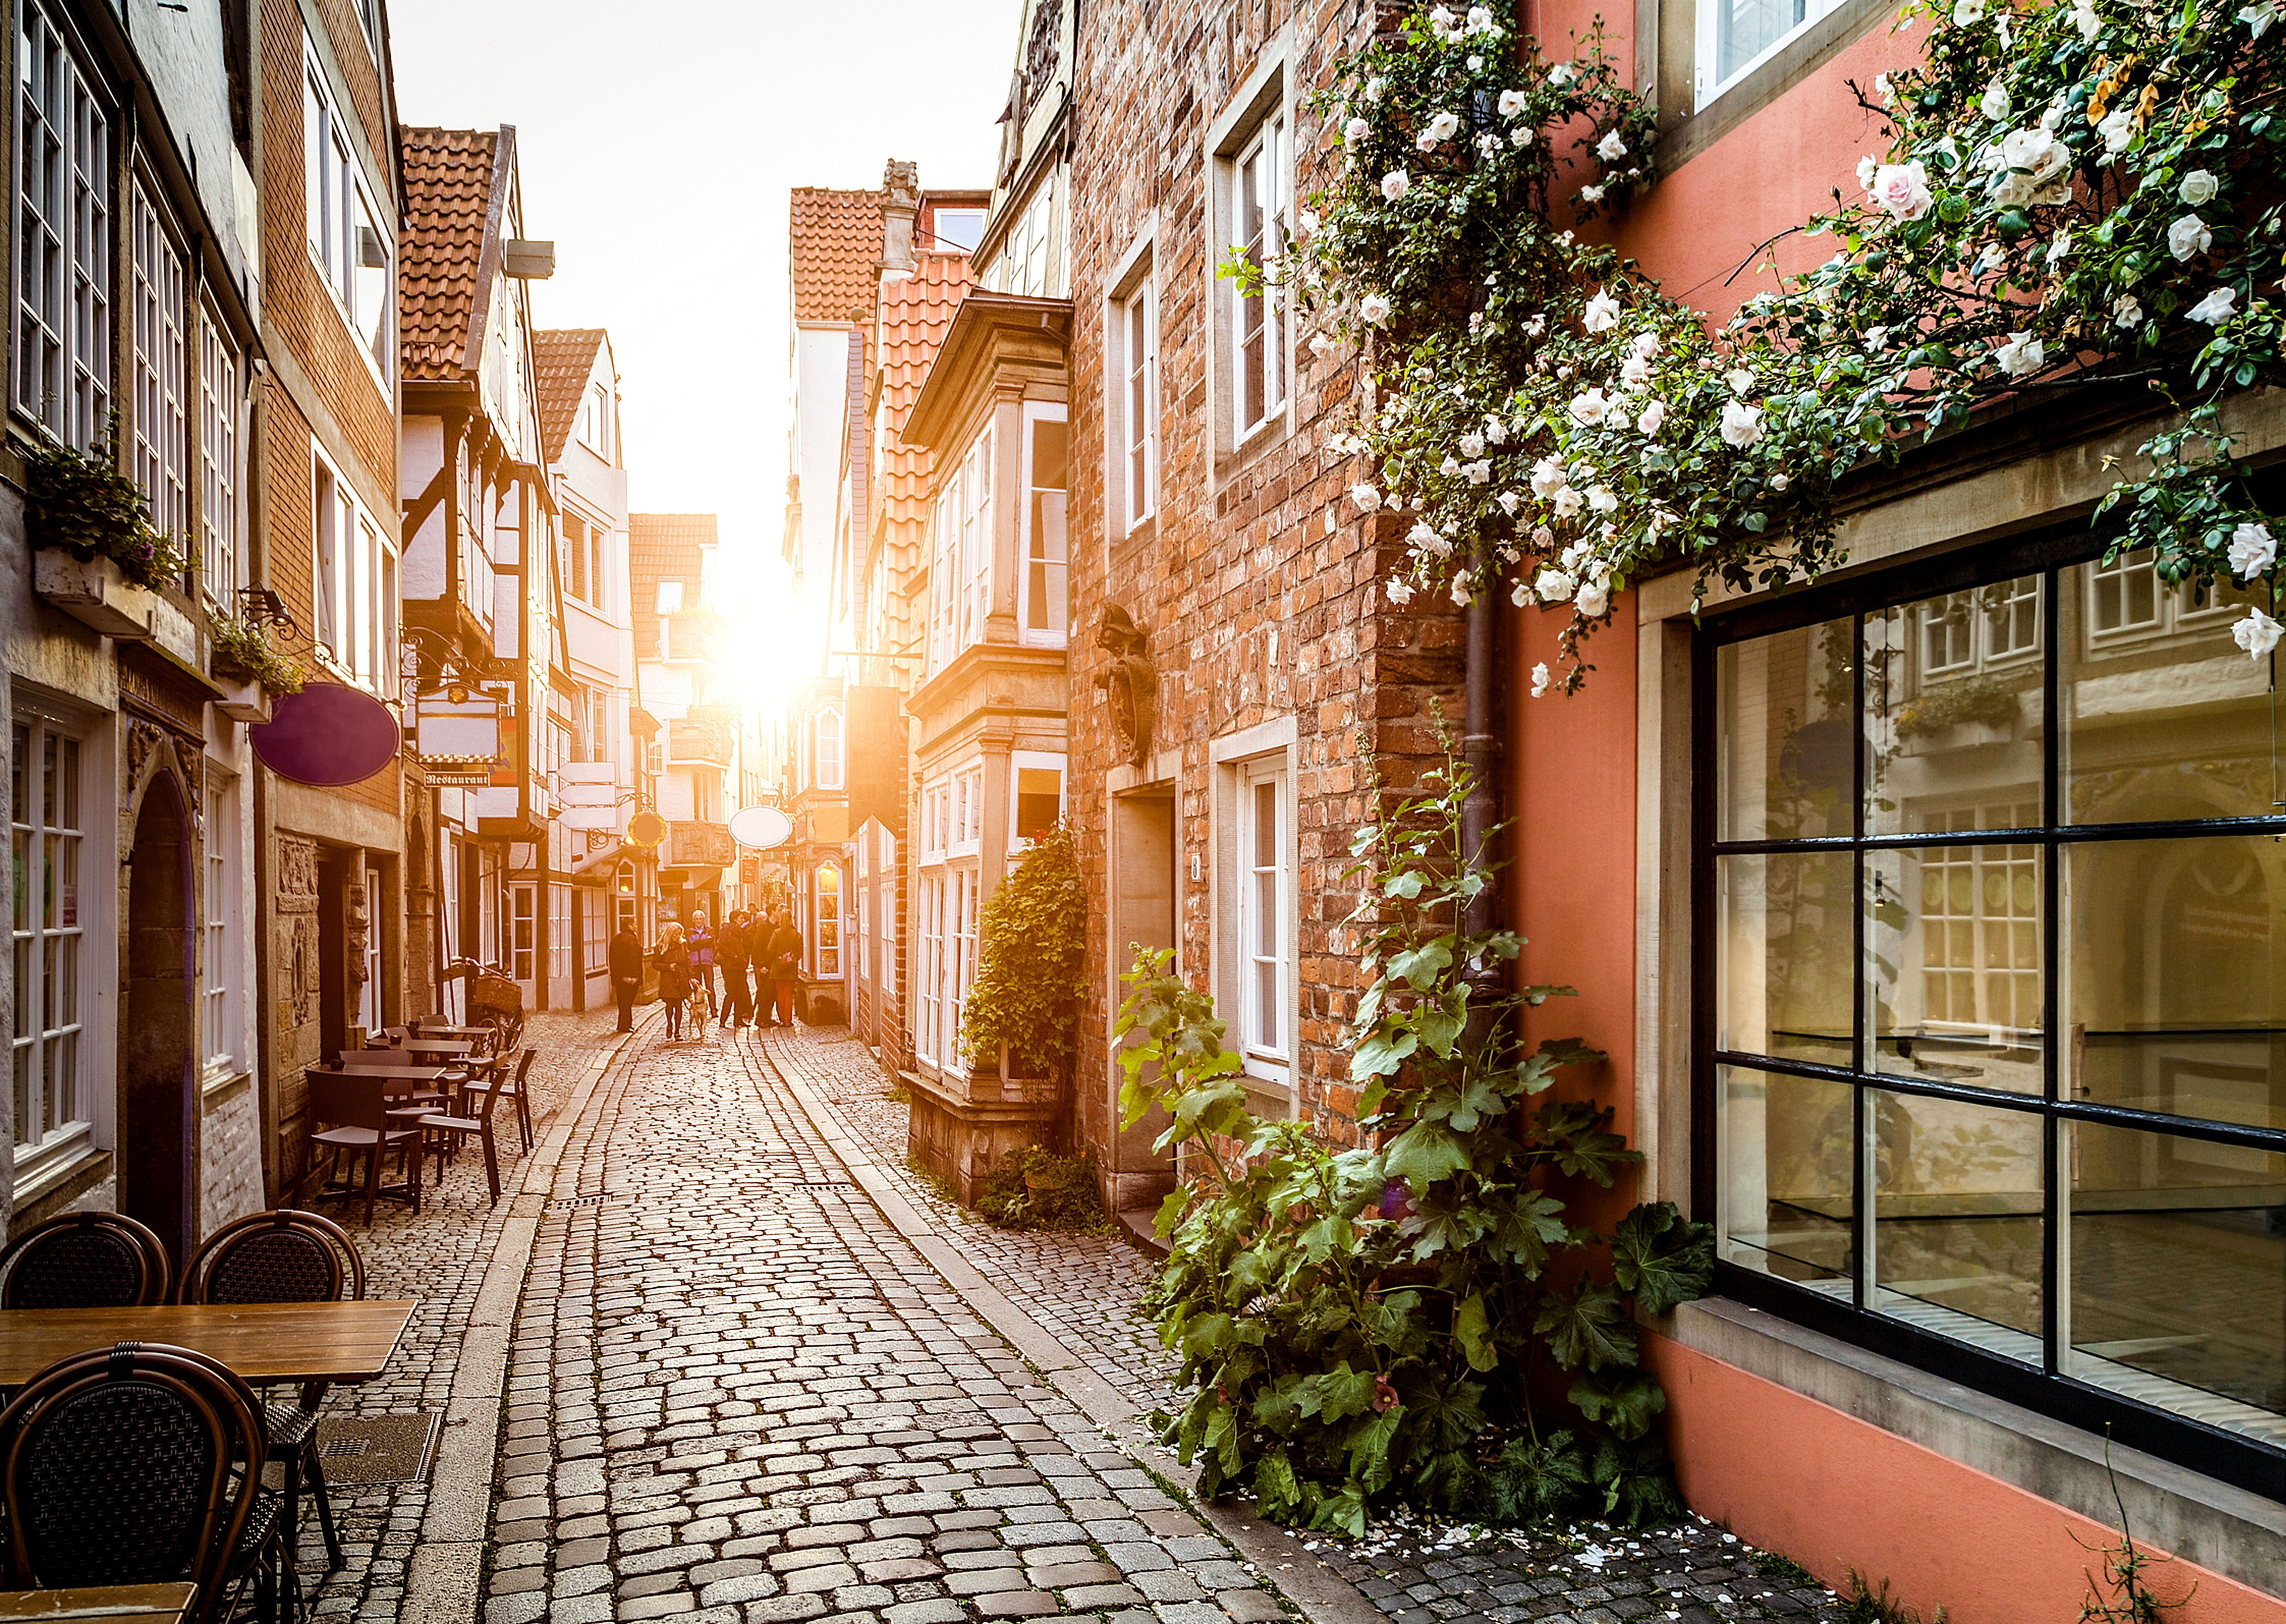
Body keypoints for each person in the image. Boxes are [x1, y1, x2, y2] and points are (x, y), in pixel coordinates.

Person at [652, 921, 694, 1041]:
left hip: (681, 978)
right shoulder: (661, 946)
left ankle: (677, 1031)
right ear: (670, 934)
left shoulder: (682, 944)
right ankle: (670, 1023)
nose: (677, 937)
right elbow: (655, 963)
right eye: (675, 935)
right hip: (668, 979)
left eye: (679, 935)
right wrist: (668, 967)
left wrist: (692, 976)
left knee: (679, 1006)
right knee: (670, 1005)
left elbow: (687, 961)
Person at [763, 910, 803, 1030]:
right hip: (791, 969)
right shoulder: (796, 934)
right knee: (789, 995)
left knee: (781, 995)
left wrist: (778, 958)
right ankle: (788, 1020)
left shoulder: (777, 933)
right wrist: (792, 959)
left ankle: (782, 1020)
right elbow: (800, 953)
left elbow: (770, 949)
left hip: (778, 968)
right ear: (791, 919)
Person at [717, 910, 754, 1030]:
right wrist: (734, 956)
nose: (743, 920)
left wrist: (743, 959)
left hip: (740, 966)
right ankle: (723, 1020)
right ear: (734, 920)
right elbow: (721, 946)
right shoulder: (726, 930)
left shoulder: (740, 931)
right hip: (729, 967)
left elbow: (742, 947)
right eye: (741, 918)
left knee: (740, 994)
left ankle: (738, 1020)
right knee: (731, 994)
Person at [608, 922, 645, 1033]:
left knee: (622, 1000)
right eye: (635, 923)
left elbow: (612, 959)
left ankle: (622, 1024)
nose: (637, 926)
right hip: (630, 977)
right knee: (628, 1001)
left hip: (619, 977)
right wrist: (635, 976)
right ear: (629, 926)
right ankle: (626, 1025)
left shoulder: (615, 939)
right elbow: (634, 959)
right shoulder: (631, 939)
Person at [686, 912, 718, 1022]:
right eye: (696, 919)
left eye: (700, 919)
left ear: (704, 920)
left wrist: (697, 943)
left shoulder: (710, 930)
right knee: (697, 988)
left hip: (707, 961)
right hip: (695, 962)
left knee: (710, 987)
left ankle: (714, 1010)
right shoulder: (690, 932)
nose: (698, 921)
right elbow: (690, 946)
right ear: (693, 920)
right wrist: (703, 943)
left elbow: (710, 942)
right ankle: (698, 1010)